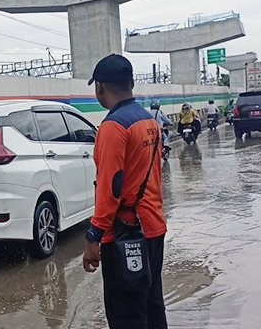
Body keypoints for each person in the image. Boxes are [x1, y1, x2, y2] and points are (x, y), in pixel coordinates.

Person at [82, 55, 168, 328]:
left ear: (99, 88)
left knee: (126, 315)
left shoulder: (112, 127)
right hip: (153, 227)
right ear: (131, 83)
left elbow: (110, 187)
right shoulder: (150, 122)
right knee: (152, 305)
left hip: (124, 235)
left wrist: (94, 235)